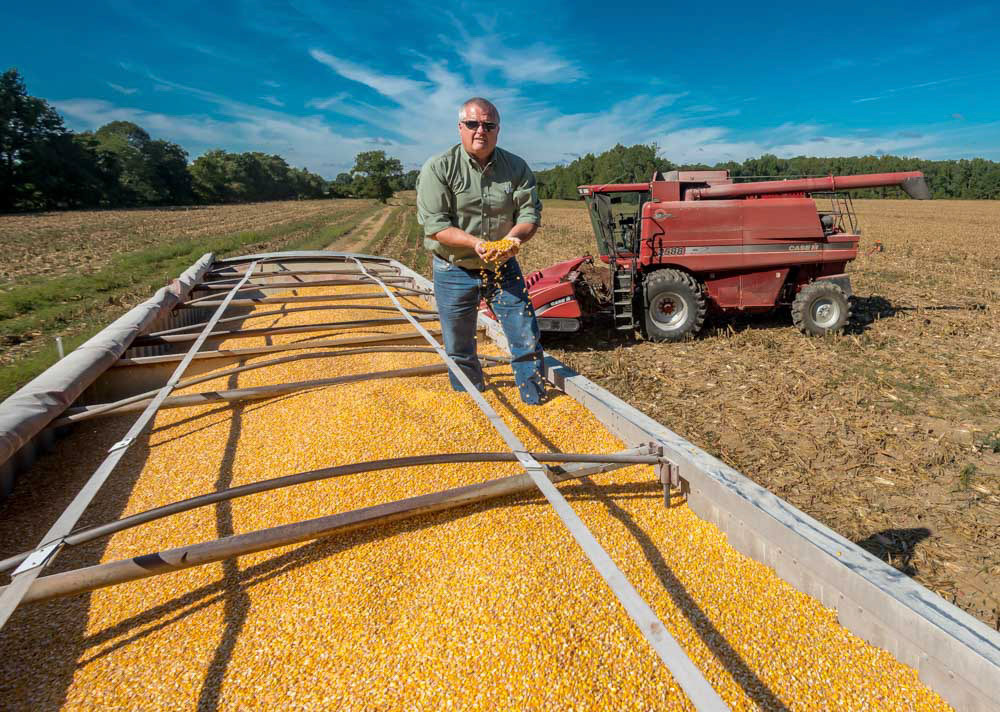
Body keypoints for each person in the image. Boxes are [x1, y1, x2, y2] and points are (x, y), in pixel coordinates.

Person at [416, 97, 546, 405]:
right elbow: (435, 225)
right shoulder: (439, 167)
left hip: (502, 267)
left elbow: (529, 214)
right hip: (454, 268)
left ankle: (534, 397)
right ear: (460, 127)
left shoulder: (516, 167)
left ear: (498, 130)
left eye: (488, 125)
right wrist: (476, 244)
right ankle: (471, 402)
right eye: (473, 124)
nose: (480, 131)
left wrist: (513, 240)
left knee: (524, 333)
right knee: (460, 345)